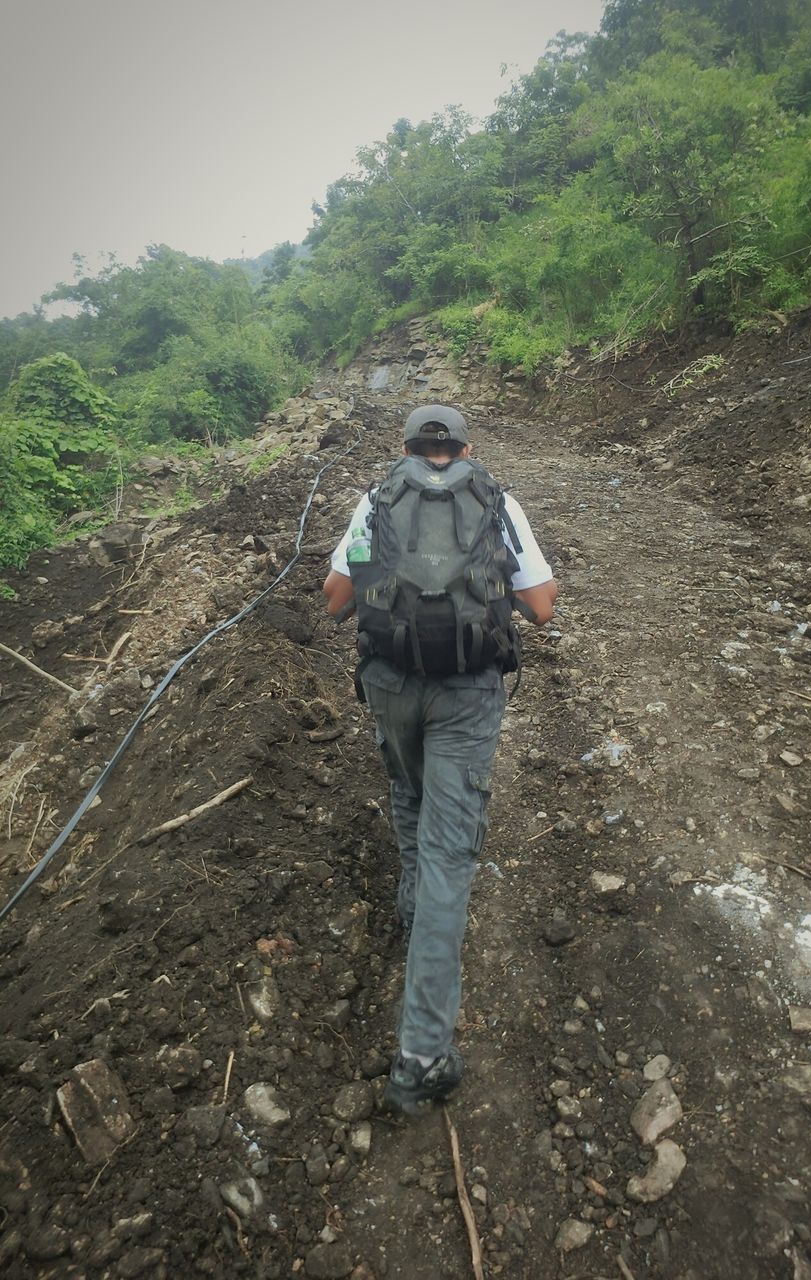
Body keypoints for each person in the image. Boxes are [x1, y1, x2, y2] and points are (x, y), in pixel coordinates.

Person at [323, 404, 557, 1113]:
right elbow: (542, 606)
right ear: (465, 447)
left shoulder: (376, 498)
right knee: (451, 853)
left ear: (406, 449)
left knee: (407, 791)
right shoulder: (497, 498)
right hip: (466, 693)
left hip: (391, 683)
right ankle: (423, 1055)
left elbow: (335, 601)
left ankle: (409, 904)